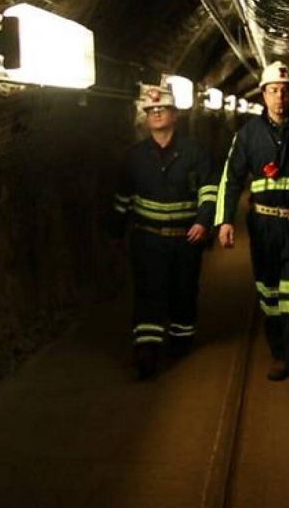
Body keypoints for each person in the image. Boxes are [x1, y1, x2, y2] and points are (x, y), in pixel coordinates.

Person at [214, 61, 289, 408]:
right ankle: (281, 354)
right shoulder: (248, 135)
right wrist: (224, 221)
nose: (279, 97)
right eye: (272, 90)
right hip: (263, 226)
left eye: (285, 90)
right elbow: (231, 177)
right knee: (269, 295)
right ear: (263, 94)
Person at [109, 83, 217, 380]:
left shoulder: (195, 152)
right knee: (148, 293)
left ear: (175, 114)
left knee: (183, 292)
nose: (156, 114)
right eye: (151, 110)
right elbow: (123, 198)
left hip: (186, 239)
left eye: (162, 109)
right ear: (146, 117)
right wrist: (116, 233)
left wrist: (203, 222)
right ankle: (147, 350)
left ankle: (181, 339)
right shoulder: (135, 157)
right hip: (147, 238)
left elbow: (209, 191)